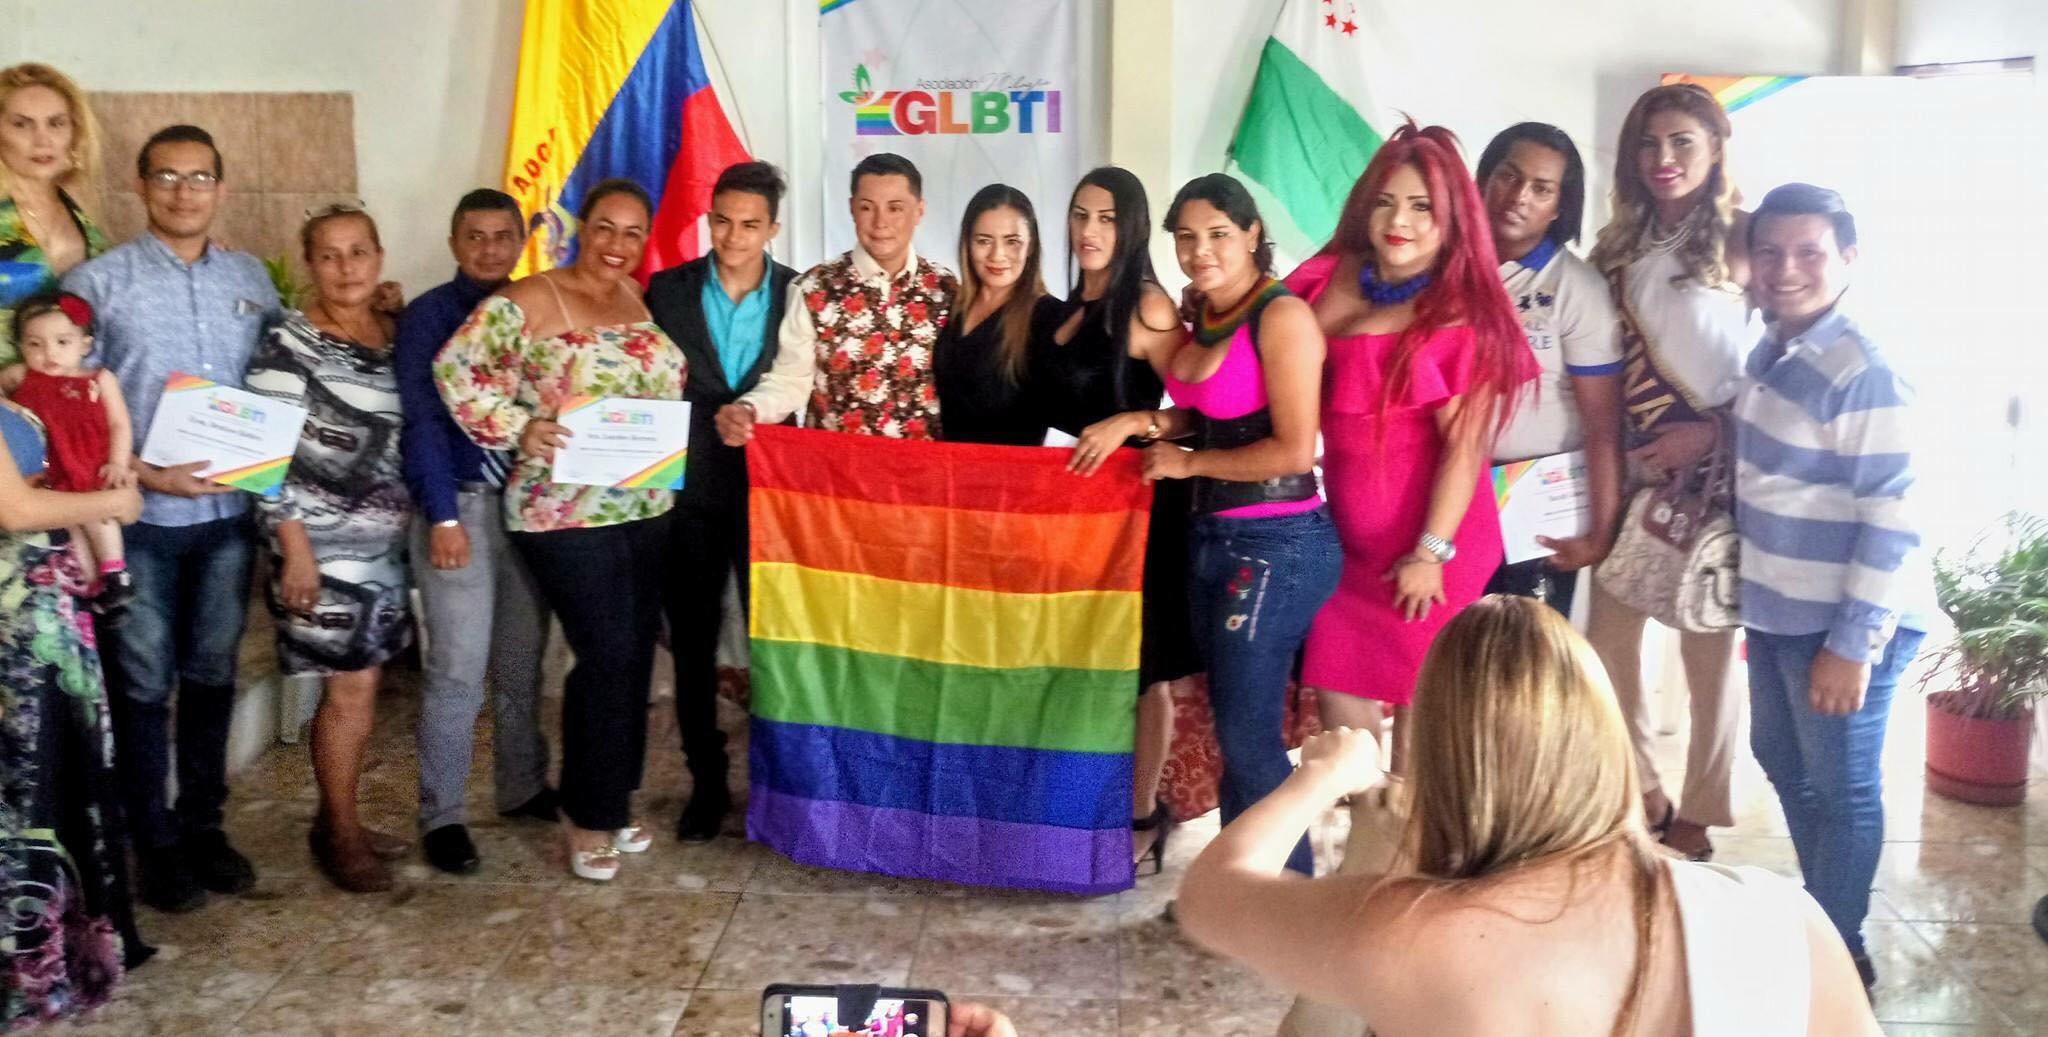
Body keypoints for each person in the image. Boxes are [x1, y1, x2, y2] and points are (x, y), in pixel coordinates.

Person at [1178, 595, 1884, 1036]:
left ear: (1440, 760)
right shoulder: (1787, 919)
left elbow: (1209, 895)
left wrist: (1322, 777)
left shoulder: (1410, 934)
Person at [1087, 173, 1339, 876]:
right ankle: (1243, 889)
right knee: (1237, 733)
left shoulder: (1281, 317)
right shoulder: (1208, 311)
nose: (1200, 250)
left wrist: (1190, 464)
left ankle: (1288, 896)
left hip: (1276, 545)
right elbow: (1210, 412)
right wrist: (1142, 421)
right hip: (1216, 540)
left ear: (1253, 234)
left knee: (1249, 737)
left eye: (1218, 234)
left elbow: (1294, 449)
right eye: (1187, 237)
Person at [436, 177, 685, 882]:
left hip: (644, 506)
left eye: (633, 232)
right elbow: (455, 370)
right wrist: (521, 427)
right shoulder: (529, 299)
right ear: (582, 228)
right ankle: (586, 816)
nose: (617, 244)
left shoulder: (637, 297)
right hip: (561, 511)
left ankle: (615, 796)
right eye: (605, 227)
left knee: (632, 657)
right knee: (605, 654)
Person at [62, 123, 277, 913]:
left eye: (200, 177)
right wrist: (152, 473)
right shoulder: (98, 282)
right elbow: (73, 409)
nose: (185, 192)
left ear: (222, 187)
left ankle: (204, 828)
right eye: (167, 176)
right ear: (140, 184)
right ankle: (152, 843)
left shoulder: (251, 276)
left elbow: (280, 372)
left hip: (227, 517)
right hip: (140, 520)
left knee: (213, 674)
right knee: (144, 684)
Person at [1283, 122, 1536, 763]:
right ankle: (1368, 831)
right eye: (1386, 201)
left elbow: (1465, 450)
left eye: (1423, 207)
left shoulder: (1460, 314)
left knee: (1421, 753)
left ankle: (1417, 831)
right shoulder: (1324, 277)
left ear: (1451, 221)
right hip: (1343, 549)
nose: (1400, 221)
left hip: (1434, 547)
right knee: (1343, 737)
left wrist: (1431, 553)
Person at [1736, 183, 1928, 994]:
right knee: (1779, 755)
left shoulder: (1862, 369)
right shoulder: (1772, 349)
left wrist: (1852, 645)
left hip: (1848, 620)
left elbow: (1894, 515)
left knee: (1844, 787)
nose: (1786, 269)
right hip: (1780, 606)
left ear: (1848, 257)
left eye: (1809, 252)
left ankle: (1834, 955)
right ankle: (1826, 914)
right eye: (1770, 251)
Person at [1584, 83, 1754, 863]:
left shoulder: (1748, 240)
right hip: (1638, 469)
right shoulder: (1616, 250)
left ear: (1715, 148)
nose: (1664, 158)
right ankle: (1643, 788)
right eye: (1649, 144)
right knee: (1607, 637)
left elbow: (1780, 367)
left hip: (1722, 471)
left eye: (1683, 140)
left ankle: (1704, 810)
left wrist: (1713, 431)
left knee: (1708, 647)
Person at [1036, 166, 1200, 872]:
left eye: (1106, 218)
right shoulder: (1065, 306)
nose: (1089, 230)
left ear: (1131, 226)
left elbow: (1202, 410)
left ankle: (1142, 816)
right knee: (1085, 659)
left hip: (1137, 514)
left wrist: (1133, 421)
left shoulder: (1149, 307)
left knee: (1143, 667)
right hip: (1069, 518)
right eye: (1080, 215)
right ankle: (1085, 800)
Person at [245, 205, 413, 892]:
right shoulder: (289, 341)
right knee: (350, 691)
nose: (346, 268)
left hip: (383, 549)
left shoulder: (393, 333)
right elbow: (263, 457)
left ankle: (337, 819)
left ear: (379, 257)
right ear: (310, 264)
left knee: (362, 690)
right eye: (329, 255)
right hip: (317, 547)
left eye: (358, 252)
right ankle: (339, 833)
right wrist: (294, 549)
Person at [395, 188, 556, 876]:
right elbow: (423, 422)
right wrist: (443, 516)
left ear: (521, 241)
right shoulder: (429, 315)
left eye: (502, 236)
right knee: (458, 666)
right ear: (454, 242)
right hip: (458, 505)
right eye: (475, 236)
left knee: (522, 658)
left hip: (529, 506)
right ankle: (444, 816)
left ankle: (522, 786)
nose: (489, 249)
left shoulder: (539, 306)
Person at [643, 160, 798, 842]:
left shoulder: (799, 293)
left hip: (772, 491)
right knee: (694, 638)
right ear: (709, 218)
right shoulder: (666, 290)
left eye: (750, 225)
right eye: (723, 221)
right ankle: (705, 781)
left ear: (773, 229)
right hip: (690, 490)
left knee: (777, 640)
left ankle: (779, 782)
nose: (733, 237)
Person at [0, 395, 149, 1026]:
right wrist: (111, 504)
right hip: (14, 628)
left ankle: (58, 958)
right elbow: (14, 508)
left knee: (56, 784)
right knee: (27, 791)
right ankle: (27, 974)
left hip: (42, 617)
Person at [1474, 123, 1624, 615]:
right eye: (1508, 176)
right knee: (1447, 648)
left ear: (1560, 206)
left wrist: (1599, 533)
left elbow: (1602, 425)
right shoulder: (1445, 269)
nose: (1518, 196)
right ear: (1484, 178)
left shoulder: (1576, 288)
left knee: (1521, 652)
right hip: (1446, 491)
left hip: (1533, 501)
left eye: (1541, 189)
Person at [714, 152, 956, 444]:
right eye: (867, 207)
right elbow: (790, 381)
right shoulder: (814, 288)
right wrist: (750, 410)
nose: (880, 222)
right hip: (836, 468)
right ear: (852, 209)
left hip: (923, 466)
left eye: (895, 208)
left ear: (919, 211)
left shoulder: (946, 290)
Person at [1, 291, 136, 618]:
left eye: (62, 342)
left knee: (98, 512)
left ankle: (116, 572)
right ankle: (91, 586)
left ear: (85, 345)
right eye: (35, 344)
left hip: (88, 462)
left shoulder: (99, 379)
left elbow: (119, 424)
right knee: (69, 529)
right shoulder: (21, 375)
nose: (49, 353)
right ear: (21, 347)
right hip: (48, 470)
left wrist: (118, 462)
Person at [0, 63, 106, 367]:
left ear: (75, 133)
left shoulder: (85, 218)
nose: (42, 140)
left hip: (68, 390)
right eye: (22, 125)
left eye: (56, 124)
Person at [934, 182, 1049, 445]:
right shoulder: (951, 304)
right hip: (946, 466)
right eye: (984, 241)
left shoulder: (1047, 317)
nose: (997, 255)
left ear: (1031, 246)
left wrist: (1141, 421)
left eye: (1012, 242)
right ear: (967, 244)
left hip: (1008, 470)